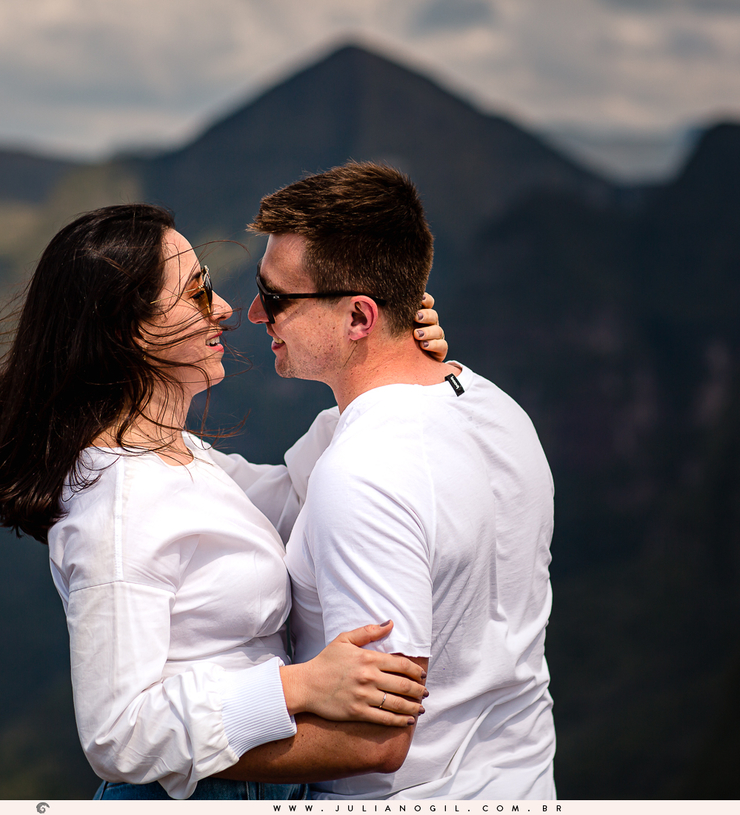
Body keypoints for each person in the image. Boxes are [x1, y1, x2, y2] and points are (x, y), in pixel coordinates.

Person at [0, 203, 448, 800]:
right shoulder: (120, 506)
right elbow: (116, 735)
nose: (225, 309)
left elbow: (301, 495)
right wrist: (297, 689)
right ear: (129, 328)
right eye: (198, 293)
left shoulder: (181, 457)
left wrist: (391, 369)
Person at [227, 162, 557, 799]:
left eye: (274, 298)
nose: (252, 314)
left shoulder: (365, 473)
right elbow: (272, 489)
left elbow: (374, 740)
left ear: (358, 317)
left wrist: (167, 746)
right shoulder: (493, 405)